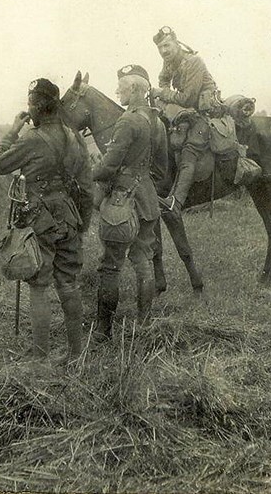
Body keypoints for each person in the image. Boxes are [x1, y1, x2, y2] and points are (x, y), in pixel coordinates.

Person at [0, 78, 93, 366]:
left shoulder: (31, 139)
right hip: (70, 216)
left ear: (37, 106)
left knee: (39, 285)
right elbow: (86, 185)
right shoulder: (75, 137)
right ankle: (75, 354)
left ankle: (40, 359)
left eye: (30, 104)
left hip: (41, 218)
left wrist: (12, 130)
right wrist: (83, 222)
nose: (28, 110)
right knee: (69, 284)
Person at [92, 65, 168, 339]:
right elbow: (162, 168)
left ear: (134, 89)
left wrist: (88, 175)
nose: (117, 92)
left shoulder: (126, 121)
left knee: (111, 266)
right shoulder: (156, 121)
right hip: (146, 200)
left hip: (121, 202)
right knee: (143, 260)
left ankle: (102, 330)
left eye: (121, 88)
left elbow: (109, 165)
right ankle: (144, 324)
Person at [151, 26, 225, 214]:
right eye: (160, 48)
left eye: (167, 45)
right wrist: (164, 96)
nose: (163, 51)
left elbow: (188, 99)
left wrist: (162, 94)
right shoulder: (168, 62)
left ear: (177, 43)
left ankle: (176, 202)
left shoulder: (194, 62)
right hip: (184, 112)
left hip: (204, 113)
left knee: (190, 149)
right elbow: (163, 80)